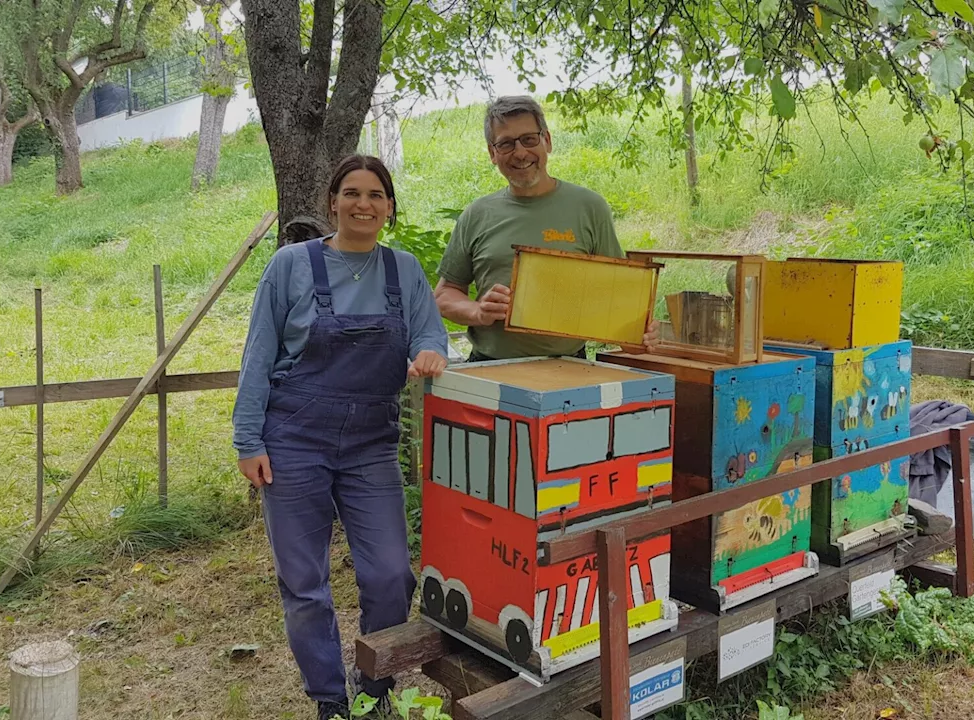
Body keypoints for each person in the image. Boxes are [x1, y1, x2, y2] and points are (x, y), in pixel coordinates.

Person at [232, 155, 449, 720]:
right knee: (304, 581)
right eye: (351, 192)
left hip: (371, 445)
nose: (363, 204)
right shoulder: (290, 266)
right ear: (333, 202)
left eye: (376, 195)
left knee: (391, 574)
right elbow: (258, 355)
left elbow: (430, 332)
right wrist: (247, 439)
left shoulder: (404, 270)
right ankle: (330, 698)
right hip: (293, 438)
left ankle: (371, 686)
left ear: (390, 208)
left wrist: (431, 352)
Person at [434, 95, 657, 361]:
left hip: (568, 369)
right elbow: (445, 295)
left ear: (547, 141)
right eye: (506, 144)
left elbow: (619, 298)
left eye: (529, 139)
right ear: (493, 153)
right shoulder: (477, 214)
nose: (519, 153)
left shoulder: (589, 207)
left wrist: (637, 335)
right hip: (489, 368)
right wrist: (478, 312)